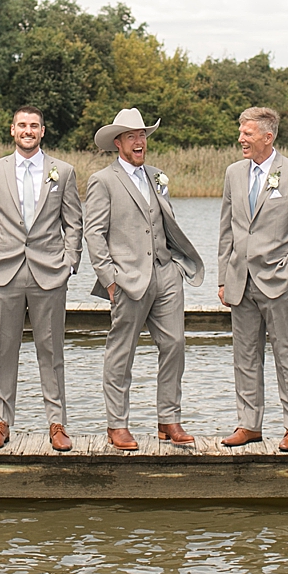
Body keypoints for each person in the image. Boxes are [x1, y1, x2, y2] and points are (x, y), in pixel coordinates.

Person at [83, 107, 204, 451]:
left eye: (143, 136)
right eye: (132, 136)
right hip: (127, 279)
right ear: (117, 142)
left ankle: (169, 420)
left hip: (166, 275)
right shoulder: (102, 180)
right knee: (122, 352)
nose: (140, 142)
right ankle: (117, 425)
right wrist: (110, 279)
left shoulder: (157, 176)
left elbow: (166, 222)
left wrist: (177, 267)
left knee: (175, 345)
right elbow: (93, 234)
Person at [0, 106, 83, 452]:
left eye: (34, 125)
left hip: (49, 272)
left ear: (43, 131)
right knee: (3, 350)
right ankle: (1, 422)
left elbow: (74, 223)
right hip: (4, 271)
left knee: (52, 351)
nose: (28, 130)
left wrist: (69, 262)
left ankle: (56, 423)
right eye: (22, 125)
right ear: (12, 130)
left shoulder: (62, 172)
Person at [217, 106, 288, 453]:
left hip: (279, 281)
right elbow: (227, 229)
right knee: (244, 355)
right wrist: (222, 278)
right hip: (240, 280)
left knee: (287, 354)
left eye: (247, 133)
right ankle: (249, 424)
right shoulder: (233, 173)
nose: (240, 138)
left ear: (267, 136)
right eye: (241, 132)